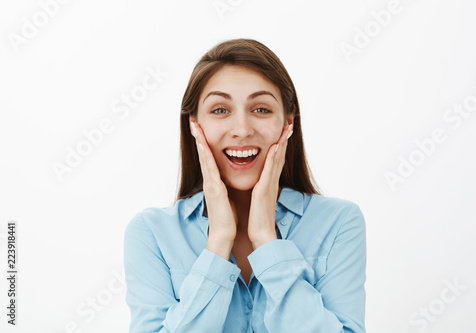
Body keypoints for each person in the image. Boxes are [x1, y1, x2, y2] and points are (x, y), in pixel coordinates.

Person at [124, 38, 367, 333]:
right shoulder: (151, 233)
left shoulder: (339, 222)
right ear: (193, 124)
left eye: (261, 109)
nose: (242, 130)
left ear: (288, 121)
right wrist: (218, 243)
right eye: (220, 110)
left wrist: (267, 241)